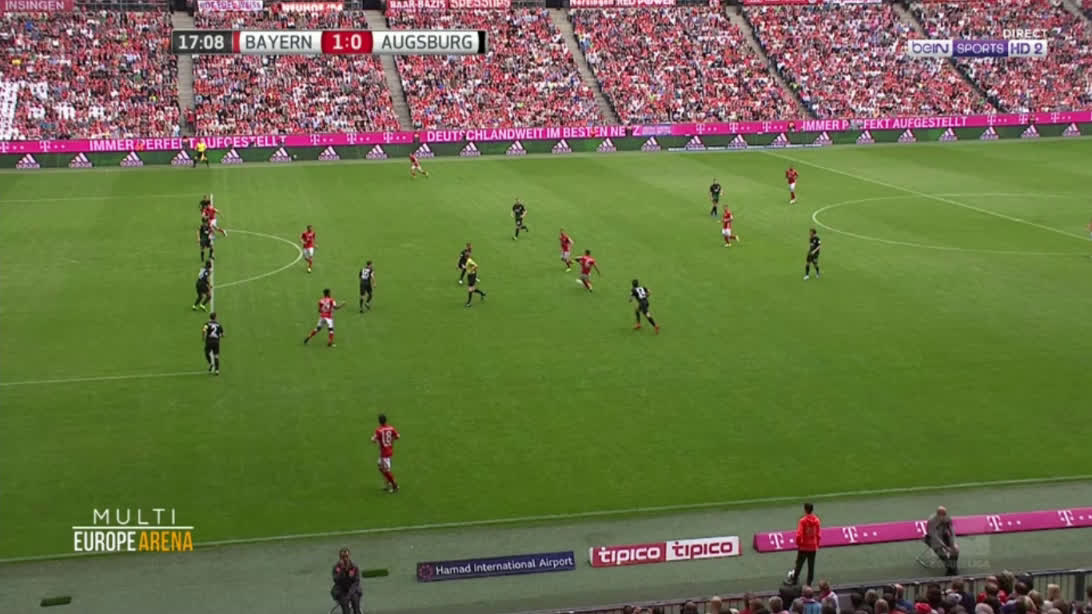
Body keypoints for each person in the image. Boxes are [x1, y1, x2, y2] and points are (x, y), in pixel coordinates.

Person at [790, 502, 821, 586]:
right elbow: (818, 534)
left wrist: (798, 544)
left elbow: (799, 534)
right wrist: (817, 544)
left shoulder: (803, 521)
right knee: (811, 566)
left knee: (799, 564)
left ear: (805, 509)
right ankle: (809, 583)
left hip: (803, 546)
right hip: (813, 546)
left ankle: (794, 580)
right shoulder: (817, 520)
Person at [926, 506, 959, 575]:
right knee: (941, 553)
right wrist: (945, 547)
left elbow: (952, 529)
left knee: (956, 549)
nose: (944, 516)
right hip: (933, 538)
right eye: (943, 515)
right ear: (938, 514)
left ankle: (952, 567)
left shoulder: (947, 517)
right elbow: (934, 536)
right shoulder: (931, 521)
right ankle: (951, 568)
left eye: (945, 514)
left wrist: (953, 542)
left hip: (944, 535)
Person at [371, 414, 400, 493]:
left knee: (386, 470)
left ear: (379, 421)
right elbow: (398, 436)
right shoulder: (391, 428)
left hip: (384, 453)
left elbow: (373, 439)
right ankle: (388, 483)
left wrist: (375, 440)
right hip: (388, 450)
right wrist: (391, 441)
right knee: (380, 466)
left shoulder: (379, 430)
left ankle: (395, 485)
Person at [330, 547, 363, 614]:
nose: (345, 559)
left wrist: (349, 594)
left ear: (349, 556)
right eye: (343, 557)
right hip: (340, 590)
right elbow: (336, 580)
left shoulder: (354, 567)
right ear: (340, 557)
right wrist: (342, 571)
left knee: (355, 603)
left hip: (353, 590)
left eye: (346, 556)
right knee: (345, 605)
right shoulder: (336, 567)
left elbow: (356, 582)